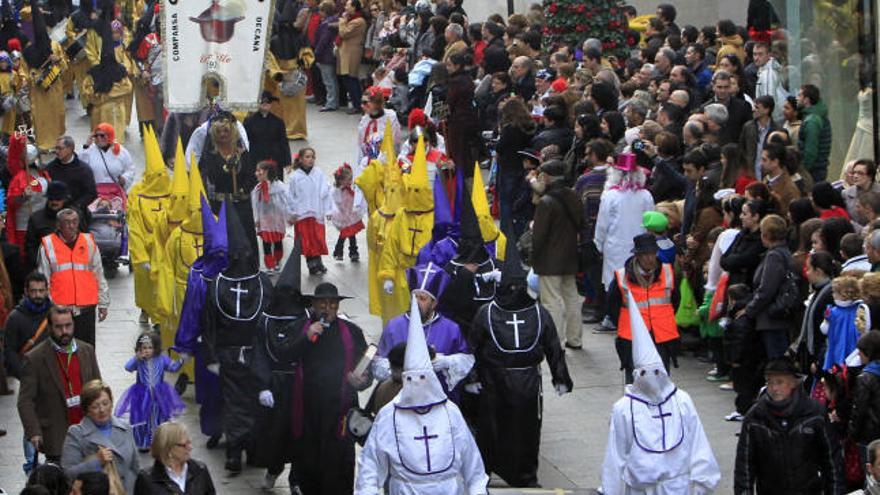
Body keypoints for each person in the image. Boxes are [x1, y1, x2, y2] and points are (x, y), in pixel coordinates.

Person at [355, 295, 488, 495]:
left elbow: (473, 466)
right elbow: (371, 466)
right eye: (412, 380)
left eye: (423, 379)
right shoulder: (389, 415)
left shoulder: (450, 413)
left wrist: (478, 490)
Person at [469, 242, 572, 487]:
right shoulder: (487, 313)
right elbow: (472, 349)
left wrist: (560, 377)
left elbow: (552, 345)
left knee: (526, 431)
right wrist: (472, 378)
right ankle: (487, 471)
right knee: (492, 430)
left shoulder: (538, 313)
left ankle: (525, 475)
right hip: (494, 381)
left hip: (527, 382)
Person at [601, 288, 720, 495]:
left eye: (656, 372)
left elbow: (696, 438)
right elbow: (615, 452)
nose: (652, 379)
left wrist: (703, 479)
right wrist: (610, 489)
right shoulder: (624, 409)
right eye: (645, 373)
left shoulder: (681, 400)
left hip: (677, 487)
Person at [275, 282, 370, 494]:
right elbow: (283, 356)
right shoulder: (299, 329)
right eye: (322, 304)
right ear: (314, 305)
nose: (327, 308)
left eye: (332, 304)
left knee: (339, 472)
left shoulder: (352, 332)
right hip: (307, 414)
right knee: (309, 471)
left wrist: (362, 380)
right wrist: (305, 339)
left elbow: (366, 367)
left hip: (340, 415)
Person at [202, 204, 272, 473]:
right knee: (251, 400)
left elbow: (207, 322)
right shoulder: (262, 281)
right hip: (251, 352)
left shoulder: (217, 282)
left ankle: (237, 451)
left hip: (229, 352)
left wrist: (211, 355)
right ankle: (248, 450)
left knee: (234, 403)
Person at [250, 241, 310, 490]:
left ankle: (297, 478)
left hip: (299, 385)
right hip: (275, 386)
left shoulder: (307, 321)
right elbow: (259, 354)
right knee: (275, 435)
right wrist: (263, 385)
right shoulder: (265, 322)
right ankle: (273, 471)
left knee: (301, 434)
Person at [734, 358, 844, 494]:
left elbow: (832, 461)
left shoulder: (815, 414)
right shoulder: (755, 418)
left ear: (793, 383)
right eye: (770, 382)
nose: (774, 388)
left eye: (780, 382)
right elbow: (744, 468)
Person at [374, 261, 473, 401]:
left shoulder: (451, 329)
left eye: (422, 299)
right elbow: (378, 362)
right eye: (414, 297)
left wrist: (446, 361)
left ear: (434, 303)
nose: (417, 303)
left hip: (439, 399)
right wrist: (400, 369)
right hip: (401, 398)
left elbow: (467, 360)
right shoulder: (394, 326)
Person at [17, 305, 101, 466]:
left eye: (68, 326)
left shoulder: (87, 350)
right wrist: (33, 432)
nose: (64, 331)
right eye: (59, 327)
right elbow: (25, 401)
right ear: (50, 327)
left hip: (88, 432)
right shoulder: (34, 358)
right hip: (56, 437)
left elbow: (98, 388)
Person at [607, 233, 681, 382]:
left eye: (653, 254)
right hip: (634, 337)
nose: (650, 258)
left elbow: (675, 300)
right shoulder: (622, 276)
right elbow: (611, 306)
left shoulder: (667, 272)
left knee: (661, 382)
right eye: (645, 254)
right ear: (638, 255)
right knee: (636, 383)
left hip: (662, 336)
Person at [594, 153, 655, 332]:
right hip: (638, 246)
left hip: (615, 245)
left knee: (615, 282)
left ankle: (614, 317)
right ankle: (636, 318)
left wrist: (599, 243)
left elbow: (602, 224)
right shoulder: (646, 195)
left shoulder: (610, 196)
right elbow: (649, 221)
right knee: (635, 280)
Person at [37, 208, 109, 345]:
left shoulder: (88, 242)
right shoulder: (48, 245)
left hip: (86, 308)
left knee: (86, 351)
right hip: (60, 311)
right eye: (67, 222)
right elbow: (43, 279)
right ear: (58, 225)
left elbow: (99, 274)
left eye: (75, 222)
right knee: (61, 351)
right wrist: (48, 307)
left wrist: (103, 303)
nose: (71, 226)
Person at [531, 159, 584, 349]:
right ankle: (574, 338)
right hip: (570, 255)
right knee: (571, 297)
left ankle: (555, 341)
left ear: (547, 176)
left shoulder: (546, 202)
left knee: (551, 300)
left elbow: (539, 235)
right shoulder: (574, 196)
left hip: (549, 258)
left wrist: (532, 257)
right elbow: (582, 225)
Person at [61, 379, 140, 495]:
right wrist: (96, 462)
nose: (102, 410)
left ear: (112, 403)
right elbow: (68, 474)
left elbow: (136, 465)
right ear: (86, 410)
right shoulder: (76, 433)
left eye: (105, 403)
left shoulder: (125, 428)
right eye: (95, 406)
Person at [198, 110, 259, 254]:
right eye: (219, 132)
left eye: (226, 131)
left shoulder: (242, 153)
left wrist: (243, 190)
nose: (223, 134)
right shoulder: (210, 155)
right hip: (219, 206)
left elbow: (252, 175)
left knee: (246, 239)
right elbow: (205, 177)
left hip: (241, 205)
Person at [114, 331, 185, 451]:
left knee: (159, 417)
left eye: (150, 347)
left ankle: (160, 441)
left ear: (156, 348)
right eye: (143, 348)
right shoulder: (139, 360)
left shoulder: (162, 359)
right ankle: (143, 442)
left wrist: (182, 359)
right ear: (138, 349)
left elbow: (173, 368)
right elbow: (128, 367)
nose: (146, 350)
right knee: (143, 419)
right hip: (142, 395)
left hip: (159, 395)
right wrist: (136, 357)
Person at [740, 214, 797, 358]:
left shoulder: (774, 256)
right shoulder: (784, 252)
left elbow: (767, 289)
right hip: (778, 316)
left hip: (772, 318)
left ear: (766, 235)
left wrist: (749, 309)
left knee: (776, 359)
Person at [20, 2, 66, 151]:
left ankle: (58, 143)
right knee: (41, 117)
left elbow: (64, 66)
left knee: (56, 114)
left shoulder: (54, 46)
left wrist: (57, 60)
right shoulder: (28, 52)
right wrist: (32, 77)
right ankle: (43, 144)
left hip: (55, 87)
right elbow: (23, 72)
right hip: (38, 91)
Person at [134, 422, 216, 495]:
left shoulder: (200, 469)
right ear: (168, 448)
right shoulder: (146, 479)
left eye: (189, 442)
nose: (190, 447)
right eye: (184, 445)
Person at [289, 147, 335, 275]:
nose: (310, 160)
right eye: (307, 157)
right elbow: (291, 196)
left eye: (312, 157)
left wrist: (328, 210)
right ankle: (311, 264)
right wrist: (292, 212)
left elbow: (325, 191)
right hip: (302, 214)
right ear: (301, 159)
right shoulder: (295, 177)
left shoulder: (318, 173)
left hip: (316, 212)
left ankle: (318, 261)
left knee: (317, 238)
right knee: (306, 239)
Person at [3, 271, 51, 380]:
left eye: (41, 291)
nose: (38, 295)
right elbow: (9, 350)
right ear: (26, 292)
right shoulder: (15, 318)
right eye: (33, 291)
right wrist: (23, 375)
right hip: (28, 375)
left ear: (47, 291)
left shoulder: (55, 313)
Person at [251, 160, 292, 272]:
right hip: (265, 220)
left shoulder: (279, 187)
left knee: (278, 241)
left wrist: (289, 215)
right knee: (266, 242)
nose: (256, 173)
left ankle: (277, 261)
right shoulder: (258, 189)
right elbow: (255, 205)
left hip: (277, 219)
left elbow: (286, 201)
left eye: (259, 170)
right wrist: (256, 218)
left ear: (266, 172)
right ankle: (269, 264)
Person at [25, 181, 76, 271]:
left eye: (58, 199)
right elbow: (30, 247)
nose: (54, 202)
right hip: (46, 266)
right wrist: (39, 264)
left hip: (72, 265)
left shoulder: (75, 216)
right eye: (51, 199)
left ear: (65, 199)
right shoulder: (36, 219)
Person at [45, 136, 97, 216]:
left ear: (70, 148)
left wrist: (76, 206)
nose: (57, 151)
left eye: (60, 148)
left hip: (76, 213)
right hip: (53, 212)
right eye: (56, 148)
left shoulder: (83, 169)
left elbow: (91, 193)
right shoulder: (50, 168)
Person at [243, 92, 293, 169]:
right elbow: (244, 142)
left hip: (274, 161)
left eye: (268, 101)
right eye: (262, 101)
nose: (265, 103)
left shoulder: (278, 122)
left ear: (271, 104)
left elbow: (284, 142)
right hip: (256, 161)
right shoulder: (249, 121)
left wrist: (287, 162)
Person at [80, 123, 135, 193]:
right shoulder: (89, 150)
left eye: (102, 135)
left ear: (110, 135)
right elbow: (80, 165)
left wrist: (124, 179)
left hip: (116, 192)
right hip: (95, 192)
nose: (99, 138)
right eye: (96, 136)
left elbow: (130, 169)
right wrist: (86, 145)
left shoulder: (122, 152)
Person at [849, 331, 880, 448]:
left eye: (860, 353)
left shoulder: (865, 378)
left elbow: (859, 408)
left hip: (869, 435)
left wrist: (852, 433)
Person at [330, 164, 367, 262]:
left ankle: (353, 252)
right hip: (343, 214)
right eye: (349, 179)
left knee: (352, 233)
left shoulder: (351, 188)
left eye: (351, 179)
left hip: (351, 213)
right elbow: (336, 201)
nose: (351, 181)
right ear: (341, 180)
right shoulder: (337, 191)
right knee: (344, 234)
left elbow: (357, 197)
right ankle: (339, 251)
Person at [797, 84, 833, 183]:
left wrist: (803, 170)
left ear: (807, 100)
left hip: (813, 171)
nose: (797, 98)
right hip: (819, 168)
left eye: (800, 95)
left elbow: (810, 151)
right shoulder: (816, 115)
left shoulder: (812, 121)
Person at [338, 0, 368, 115]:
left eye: (347, 5)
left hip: (352, 52)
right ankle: (357, 103)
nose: (345, 7)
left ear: (354, 7)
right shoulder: (351, 19)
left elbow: (344, 33)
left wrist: (342, 22)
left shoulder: (359, 21)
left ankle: (358, 104)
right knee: (348, 78)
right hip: (347, 52)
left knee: (351, 78)